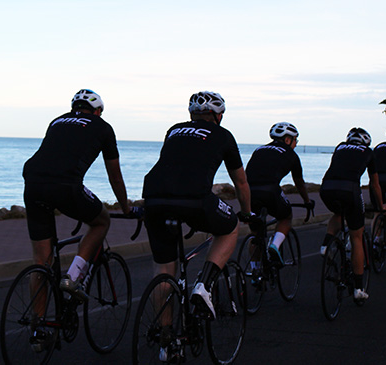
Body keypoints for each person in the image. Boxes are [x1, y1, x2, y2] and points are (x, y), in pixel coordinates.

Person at [22, 89, 130, 350]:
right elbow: (114, 176)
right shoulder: (103, 127)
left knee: (42, 262)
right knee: (101, 221)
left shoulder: (57, 121)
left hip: (33, 183)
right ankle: (72, 277)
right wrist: (126, 207)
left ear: (74, 109)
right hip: (66, 186)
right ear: (98, 111)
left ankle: (39, 329)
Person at [142, 91, 253, 326]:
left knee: (164, 268)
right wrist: (246, 212)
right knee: (230, 227)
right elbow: (241, 183)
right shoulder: (223, 135)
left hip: (153, 199)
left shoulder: (173, 130)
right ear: (219, 115)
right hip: (194, 199)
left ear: (191, 114)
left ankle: (166, 341)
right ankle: (205, 285)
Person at [319, 127, 386, 301]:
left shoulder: (340, 147)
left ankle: (326, 244)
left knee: (338, 212)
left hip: (326, 188)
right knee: (357, 237)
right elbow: (375, 184)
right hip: (349, 190)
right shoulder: (369, 152)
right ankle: (358, 288)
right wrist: (380, 207)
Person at [245, 122, 313, 266]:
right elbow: (299, 182)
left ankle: (255, 270)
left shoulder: (259, 150)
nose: (296, 144)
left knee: (256, 234)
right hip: (270, 190)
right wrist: (307, 201)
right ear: (287, 140)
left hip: (249, 192)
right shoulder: (291, 155)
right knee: (286, 216)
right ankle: (275, 245)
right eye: (295, 140)